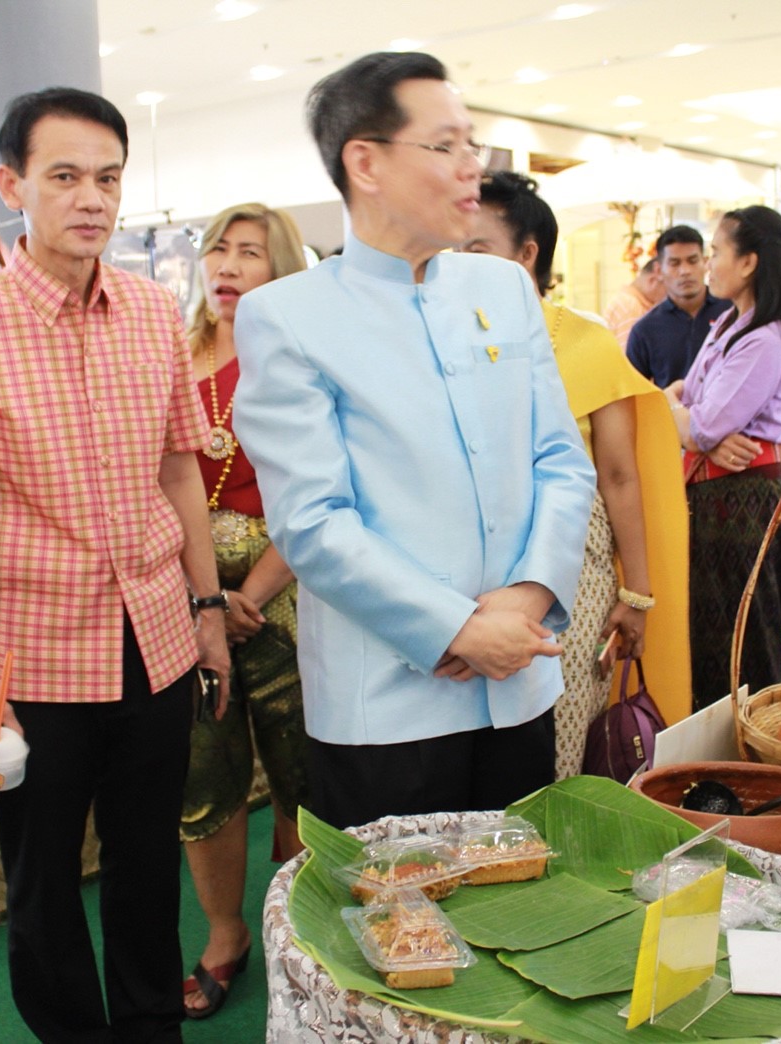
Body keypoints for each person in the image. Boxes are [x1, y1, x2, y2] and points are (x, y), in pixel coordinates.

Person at [0, 86, 230, 1042]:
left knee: (145, 863)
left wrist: (206, 608)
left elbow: (179, 470)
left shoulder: (147, 308)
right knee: (42, 883)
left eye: (107, 178)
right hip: (34, 658)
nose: (91, 198)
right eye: (64, 177)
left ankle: (147, 1027)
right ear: (12, 185)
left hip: (156, 639)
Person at [233, 51, 594, 830]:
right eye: (446, 147)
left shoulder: (501, 288)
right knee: (398, 932)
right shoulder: (287, 316)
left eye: (473, 145)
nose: (474, 169)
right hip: (386, 708)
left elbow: (561, 461)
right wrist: (459, 628)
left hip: (518, 683)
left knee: (520, 905)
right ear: (365, 161)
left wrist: (527, 600)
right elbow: (313, 521)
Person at [463, 171, 690, 775]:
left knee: (557, 736)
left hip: (572, 570)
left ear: (526, 253)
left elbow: (618, 477)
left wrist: (635, 595)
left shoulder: (585, 343)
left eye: (474, 248)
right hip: (470, 574)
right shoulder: (450, 338)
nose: (456, 263)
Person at [180, 202, 309, 1018]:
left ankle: (291, 926)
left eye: (250, 253)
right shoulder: (166, 354)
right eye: (218, 250)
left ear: (282, 269)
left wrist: (249, 596)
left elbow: (319, 493)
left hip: (288, 597)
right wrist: (201, 600)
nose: (228, 266)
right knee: (203, 779)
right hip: (183, 603)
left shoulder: (300, 359)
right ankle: (224, 936)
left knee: (303, 774)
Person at [665, 206, 781, 710]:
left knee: (745, 628)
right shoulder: (731, 322)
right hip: (717, 493)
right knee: (712, 628)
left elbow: (702, 422)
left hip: (742, 498)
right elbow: (693, 407)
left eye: (716, 252)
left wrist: (689, 423)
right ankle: (720, 743)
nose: (708, 265)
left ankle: (754, 743)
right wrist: (693, 423)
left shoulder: (763, 339)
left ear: (747, 262)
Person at [626, 224, 730, 391]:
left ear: (705, 263)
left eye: (692, 261)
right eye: (674, 263)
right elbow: (634, 393)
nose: (685, 271)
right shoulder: (645, 330)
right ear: (659, 270)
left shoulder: (732, 312)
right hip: (672, 415)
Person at [603, 256, 663, 350]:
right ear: (652, 281)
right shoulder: (631, 307)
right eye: (669, 288)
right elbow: (629, 360)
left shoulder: (629, 303)